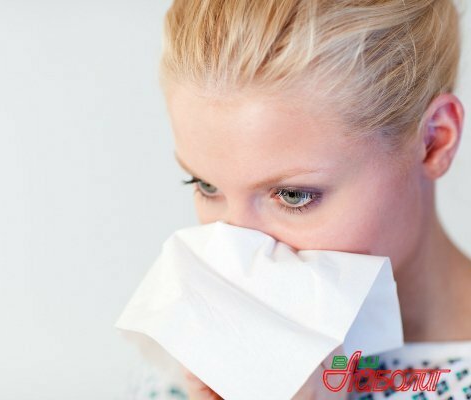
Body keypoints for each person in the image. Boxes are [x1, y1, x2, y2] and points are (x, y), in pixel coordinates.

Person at [127, 0, 471, 398]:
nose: (237, 247)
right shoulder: (188, 364)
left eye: (293, 196)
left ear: (434, 140)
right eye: (206, 186)